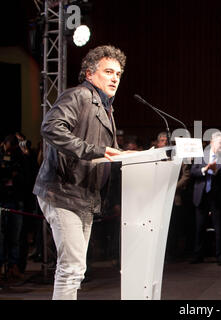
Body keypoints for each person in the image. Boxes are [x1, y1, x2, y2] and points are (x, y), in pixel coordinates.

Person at [33, 45, 128, 300]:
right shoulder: (79, 96)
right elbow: (51, 127)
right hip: (62, 192)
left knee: (77, 269)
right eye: (108, 72)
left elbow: (109, 150)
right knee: (72, 269)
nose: (115, 78)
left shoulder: (106, 107)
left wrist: (135, 156)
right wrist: (93, 151)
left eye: (118, 74)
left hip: (84, 195)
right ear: (89, 74)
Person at [190, 131, 221, 265]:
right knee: (199, 227)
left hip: (216, 198)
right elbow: (193, 172)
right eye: (220, 143)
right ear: (212, 143)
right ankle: (197, 255)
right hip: (201, 196)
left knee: (219, 228)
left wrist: (216, 171)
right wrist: (205, 169)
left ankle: (220, 256)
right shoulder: (200, 157)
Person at [0, 134, 26, 281]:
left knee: (14, 237)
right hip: (3, 200)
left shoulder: (20, 158)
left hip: (16, 200)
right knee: (2, 237)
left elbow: (24, 176)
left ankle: (13, 266)